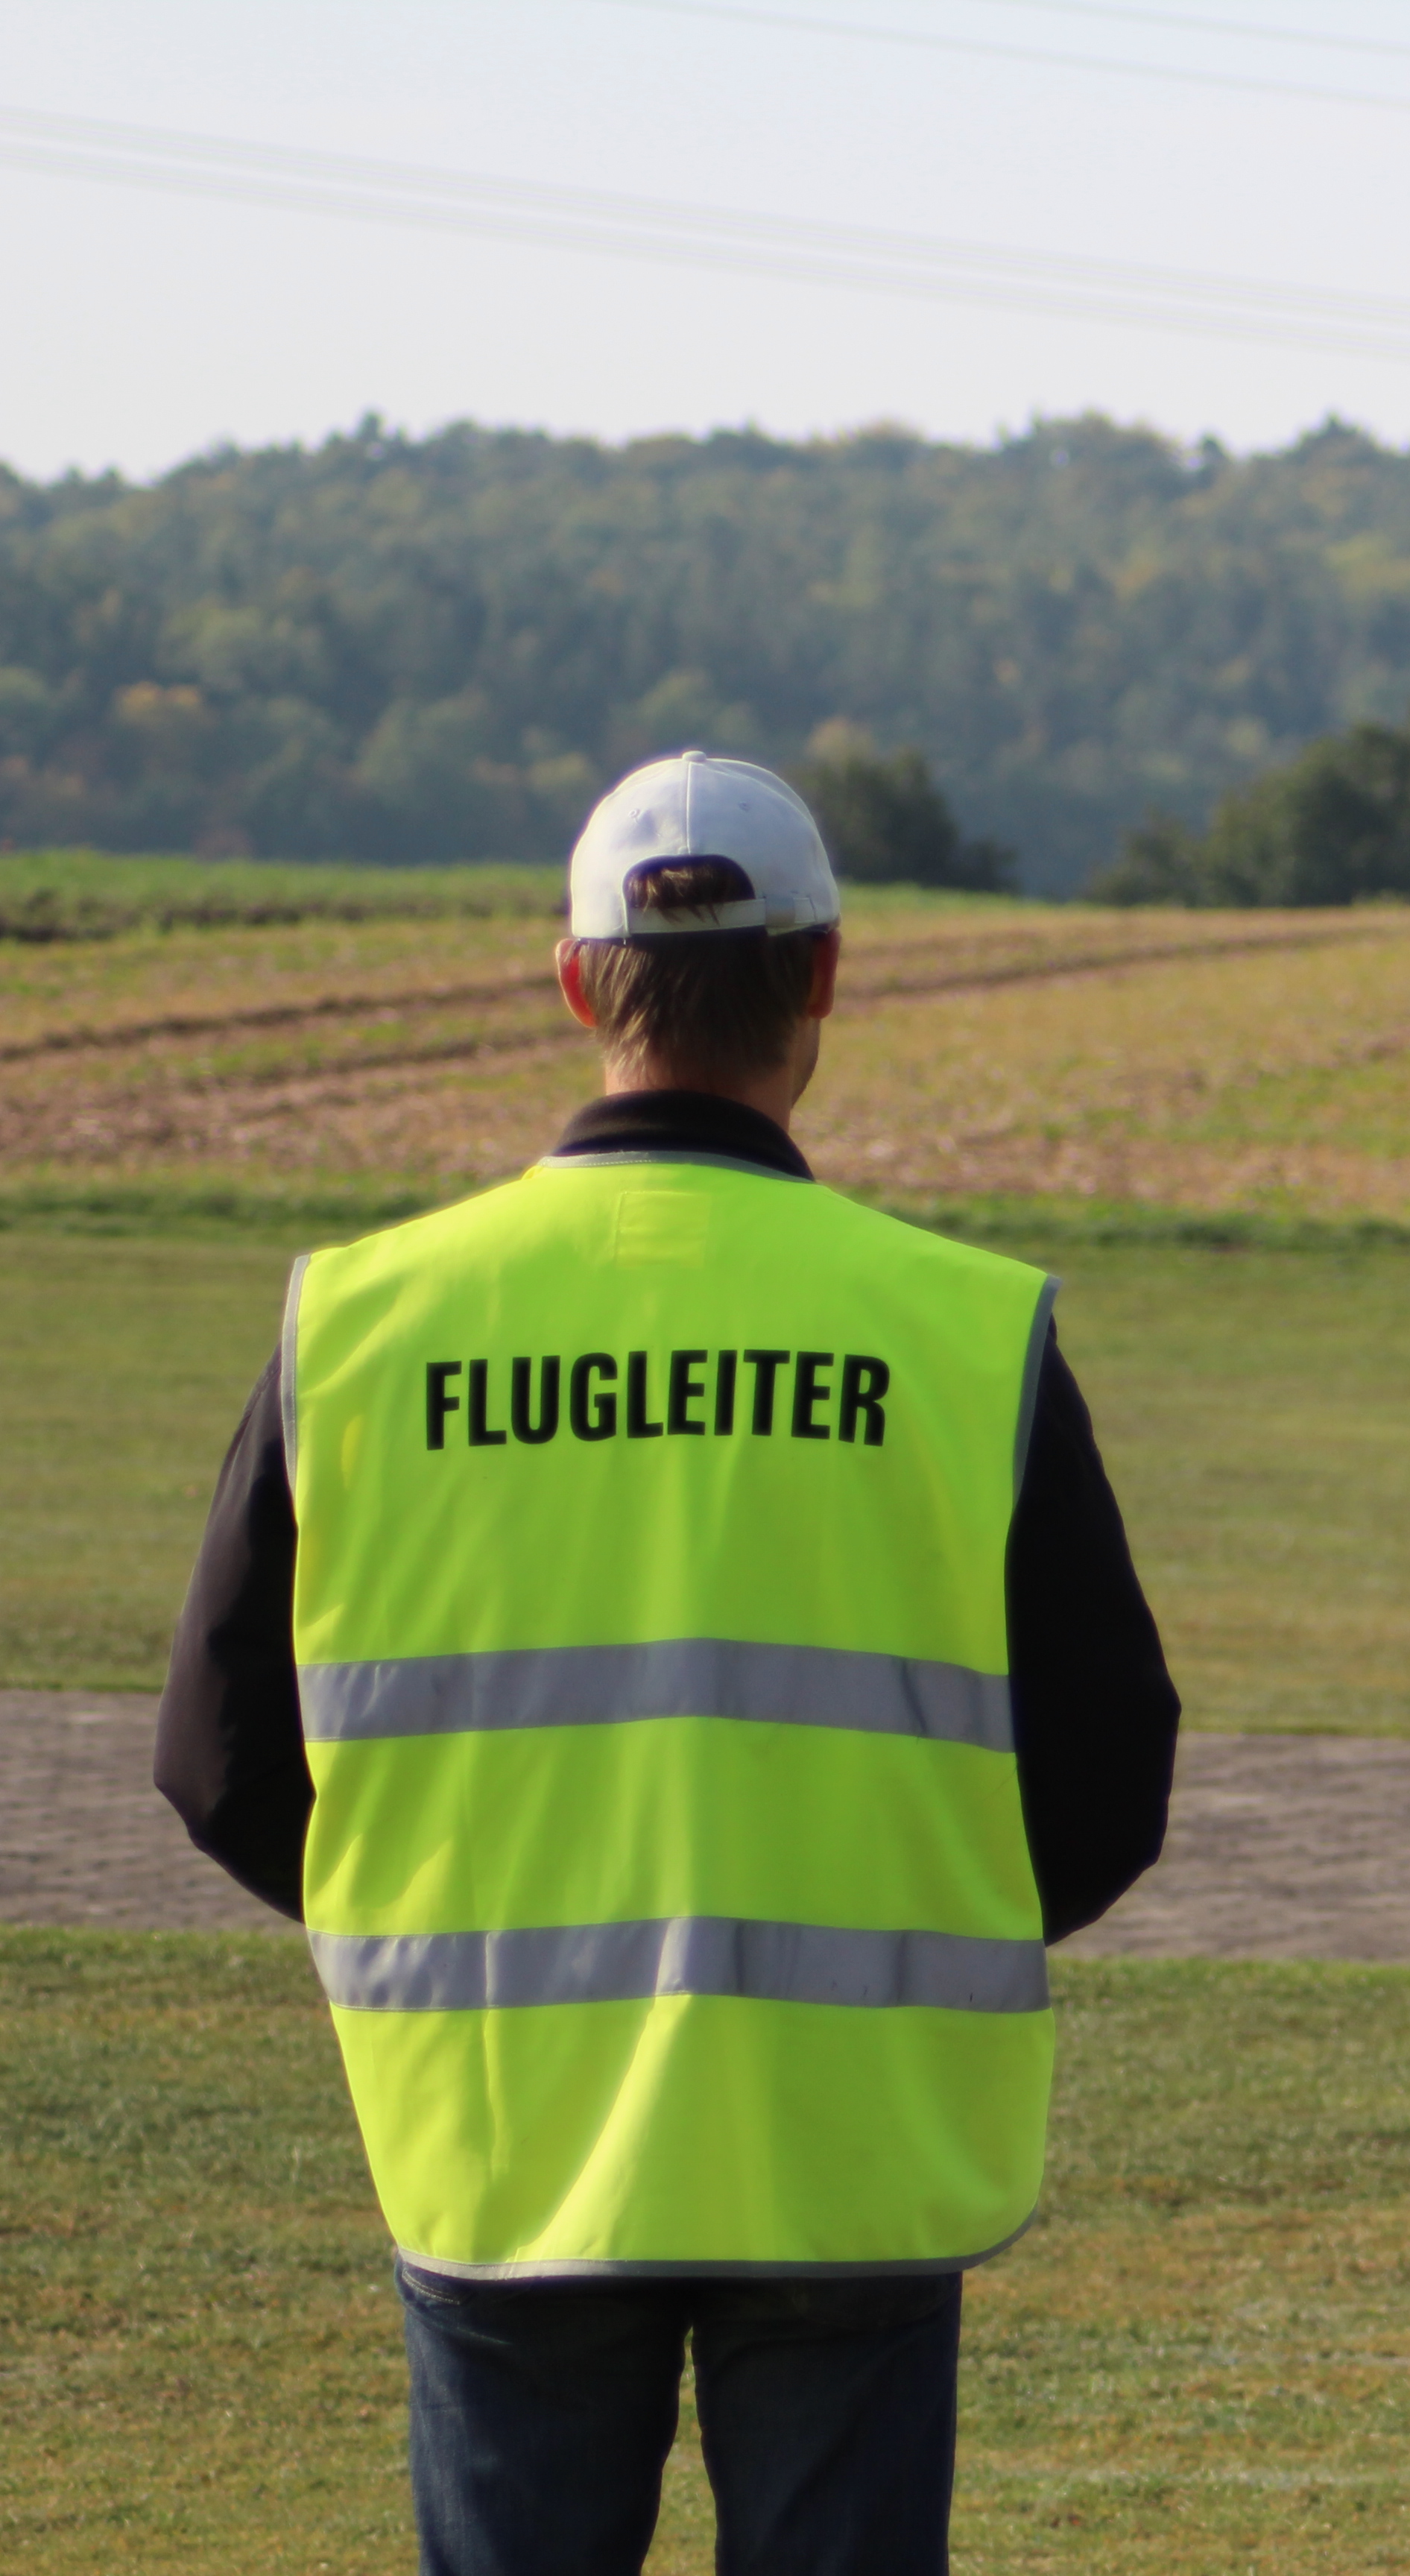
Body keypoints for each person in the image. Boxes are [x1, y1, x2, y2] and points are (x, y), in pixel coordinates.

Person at [154, 750, 1182, 2575]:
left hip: (501, 2138)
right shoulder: (960, 1331)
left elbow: (222, 1760)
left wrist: (428, 1933)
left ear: (574, 984)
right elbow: (1109, 1773)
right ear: (825, 979)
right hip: (848, 2147)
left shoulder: (366, 1326)